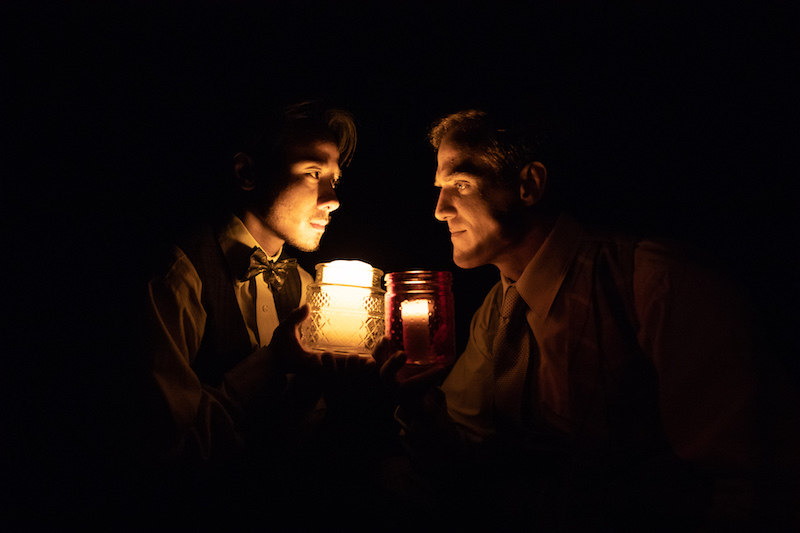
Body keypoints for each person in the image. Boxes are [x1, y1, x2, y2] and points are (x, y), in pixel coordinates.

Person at [375, 108, 763, 530]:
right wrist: (412, 401)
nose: (440, 209)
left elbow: (750, 476)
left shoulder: (653, 282)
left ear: (529, 185)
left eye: (461, 184)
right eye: (440, 188)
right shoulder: (498, 309)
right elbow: (466, 445)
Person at [134, 100, 379, 525]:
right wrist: (271, 365)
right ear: (247, 173)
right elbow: (161, 458)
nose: (333, 199)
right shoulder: (175, 278)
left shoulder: (308, 287)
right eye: (312, 173)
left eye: (335, 180)